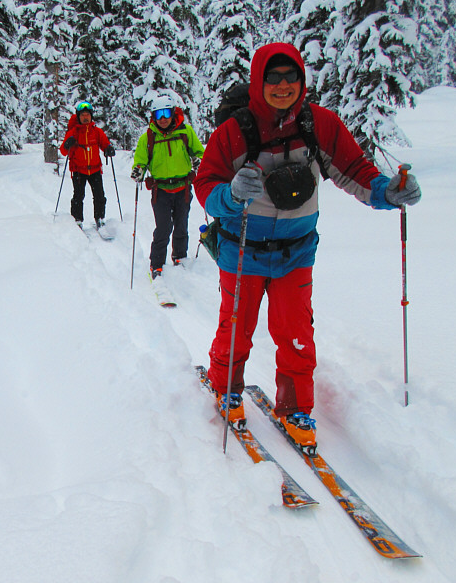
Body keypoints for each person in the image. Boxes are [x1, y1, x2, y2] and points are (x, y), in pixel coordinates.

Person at [193, 43, 421, 452]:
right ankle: (227, 386)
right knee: (236, 326)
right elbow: (205, 183)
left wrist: (391, 192)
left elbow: (355, 170)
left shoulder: (320, 125)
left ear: (302, 80)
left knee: (296, 332)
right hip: (241, 249)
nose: (283, 86)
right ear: (259, 81)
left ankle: (296, 407)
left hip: (295, 252)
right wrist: (229, 195)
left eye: (291, 77)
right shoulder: (235, 131)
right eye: (273, 78)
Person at [131, 96, 205, 278]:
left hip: (183, 187)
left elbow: (199, 152)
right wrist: (139, 170)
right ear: (153, 117)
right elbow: (141, 161)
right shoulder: (147, 138)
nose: (163, 118)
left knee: (181, 224)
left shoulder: (185, 132)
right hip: (161, 190)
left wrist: (198, 160)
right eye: (158, 114)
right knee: (163, 227)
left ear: (173, 113)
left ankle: (179, 256)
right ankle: (156, 264)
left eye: (166, 113)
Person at [60, 101, 115, 228]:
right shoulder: (73, 132)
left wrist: (108, 149)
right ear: (79, 117)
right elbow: (63, 151)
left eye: (87, 115)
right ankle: (77, 220)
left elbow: (105, 143)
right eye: (83, 115)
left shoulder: (97, 132)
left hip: (95, 169)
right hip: (79, 170)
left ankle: (100, 218)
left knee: (99, 195)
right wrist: (68, 144)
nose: (85, 117)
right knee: (78, 196)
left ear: (91, 116)